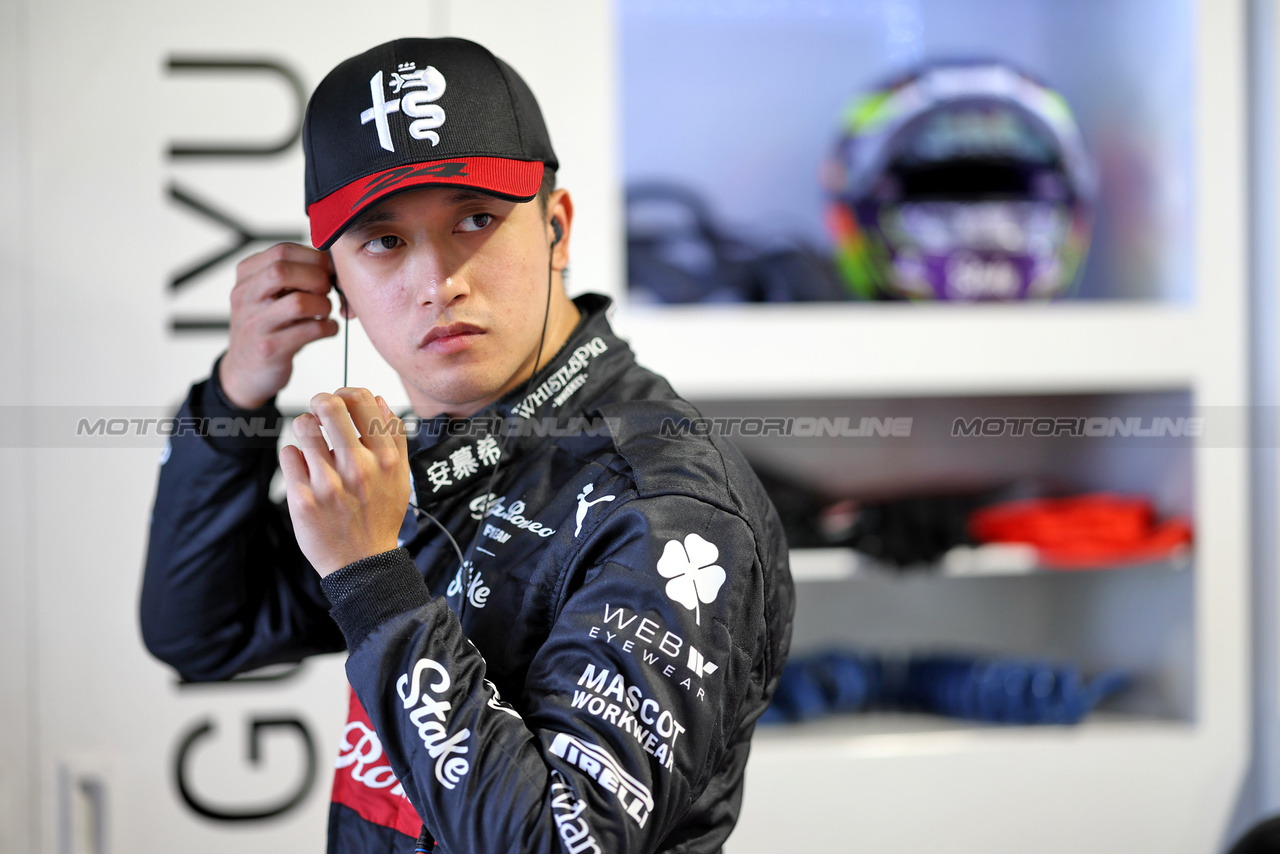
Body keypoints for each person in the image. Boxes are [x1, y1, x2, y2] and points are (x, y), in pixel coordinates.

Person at [141, 36, 794, 854]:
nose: (436, 282)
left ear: (556, 229)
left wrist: (372, 579)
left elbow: (560, 845)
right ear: (333, 281)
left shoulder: (665, 506)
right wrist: (237, 392)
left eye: (475, 220)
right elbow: (201, 631)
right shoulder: (416, 465)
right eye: (384, 241)